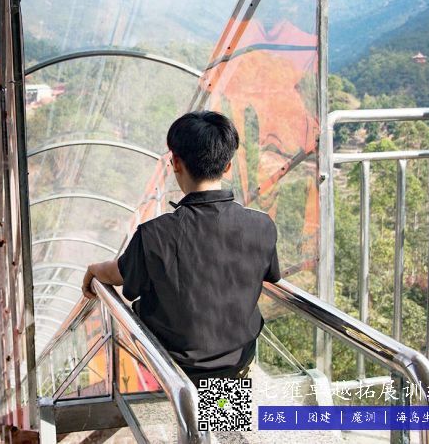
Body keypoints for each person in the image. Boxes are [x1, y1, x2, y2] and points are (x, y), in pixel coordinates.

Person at [81, 110, 281, 386]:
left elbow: (119, 274)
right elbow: (269, 275)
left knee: (185, 411)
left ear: (176, 163)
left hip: (171, 368)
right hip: (236, 362)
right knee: (224, 411)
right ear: (227, 167)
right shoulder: (262, 226)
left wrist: (94, 270)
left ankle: (191, 414)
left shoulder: (154, 234)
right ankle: (222, 413)